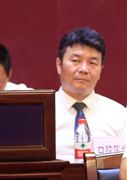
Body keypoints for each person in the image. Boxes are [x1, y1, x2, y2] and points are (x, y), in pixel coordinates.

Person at [54, 27, 127, 161]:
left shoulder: (118, 115)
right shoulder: (42, 113)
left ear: (100, 70)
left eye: (92, 63)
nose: (84, 69)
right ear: (59, 65)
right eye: (76, 61)